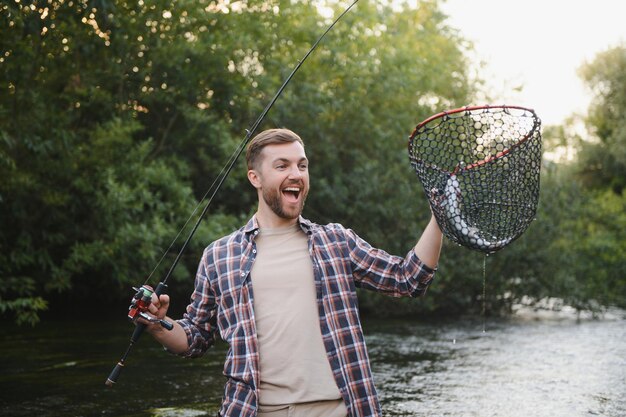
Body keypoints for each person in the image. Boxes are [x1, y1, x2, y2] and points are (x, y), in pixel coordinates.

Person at [142, 128, 443, 417]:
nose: (296, 174)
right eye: (282, 165)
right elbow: (195, 337)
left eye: (302, 165)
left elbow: (408, 278)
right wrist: (158, 325)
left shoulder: (336, 241)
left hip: (338, 409)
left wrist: (439, 217)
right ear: (255, 178)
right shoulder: (219, 256)